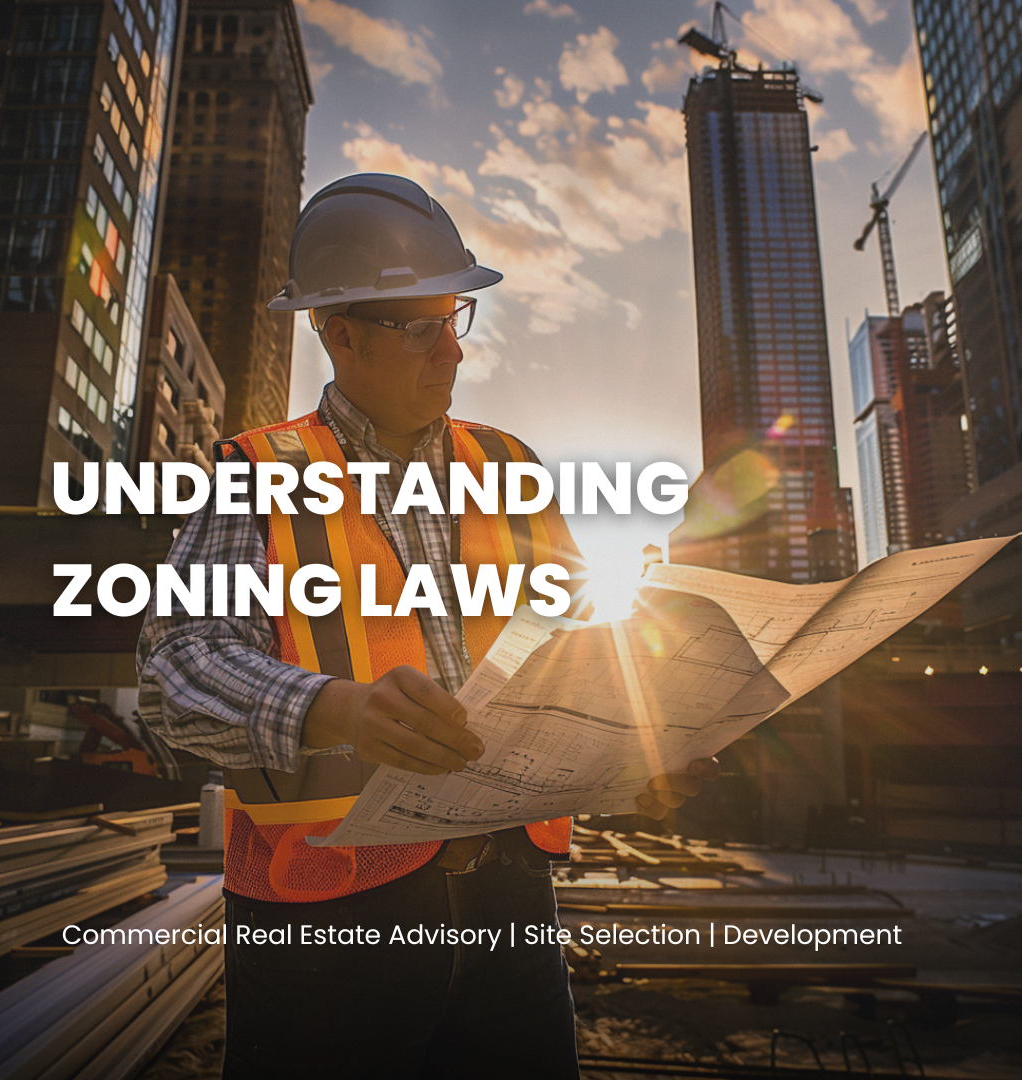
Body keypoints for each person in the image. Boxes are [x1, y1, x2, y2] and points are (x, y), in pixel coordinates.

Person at [137, 173, 719, 1079]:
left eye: (456, 320)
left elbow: (569, 659)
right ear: (337, 335)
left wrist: (641, 747)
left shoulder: (511, 466)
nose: (451, 352)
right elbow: (177, 672)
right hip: (324, 927)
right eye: (420, 328)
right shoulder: (257, 474)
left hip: (508, 908)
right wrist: (335, 708)